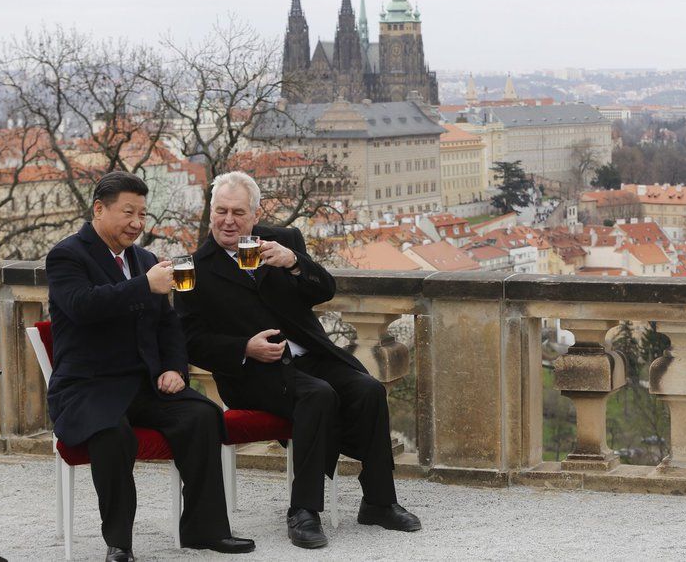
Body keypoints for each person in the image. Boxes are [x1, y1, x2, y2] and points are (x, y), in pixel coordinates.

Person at [174, 171, 421, 550]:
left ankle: (378, 501)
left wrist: (293, 263)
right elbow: (189, 339)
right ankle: (303, 511)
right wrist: (244, 347)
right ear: (210, 213)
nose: (227, 220)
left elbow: (324, 290)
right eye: (220, 211)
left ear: (255, 214)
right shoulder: (191, 266)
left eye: (238, 212)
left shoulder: (284, 241)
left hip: (310, 357)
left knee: (368, 389)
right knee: (317, 396)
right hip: (252, 372)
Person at [46, 171, 254, 561]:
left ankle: (204, 529)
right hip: (87, 387)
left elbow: (167, 325)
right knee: (112, 434)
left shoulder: (143, 259)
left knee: (203, 415)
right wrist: (145, 286)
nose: (138, 224)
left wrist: (175, 367)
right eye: (128, 213)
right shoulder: (67, 255)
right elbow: (82, 306)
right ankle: (119, 543)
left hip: (143, 385)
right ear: (98, 209)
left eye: (143, 214)